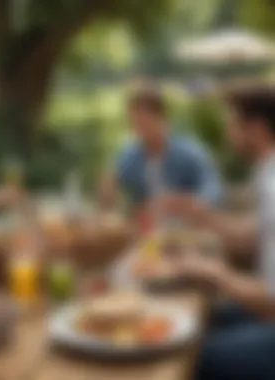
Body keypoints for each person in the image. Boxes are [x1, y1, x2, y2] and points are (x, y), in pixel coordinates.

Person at [158, 85, 275, 380]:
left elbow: (272, 298)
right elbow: (250, 237)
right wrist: (199, 213)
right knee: (204, 318)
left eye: (232, 124)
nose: (227, 133)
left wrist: (214, 272)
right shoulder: (267, 171)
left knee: (198, 356)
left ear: (256, 128)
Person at [99, 80, 222, 215]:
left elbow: (214, 190)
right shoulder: (130, 155)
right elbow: (112, 189)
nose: (139, 129)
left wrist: (189, 203)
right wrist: (108, 189)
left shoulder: (189, 152)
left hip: (186, 228)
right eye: (134, 123)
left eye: (143, 121)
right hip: (147, 230)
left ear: (162, 118)